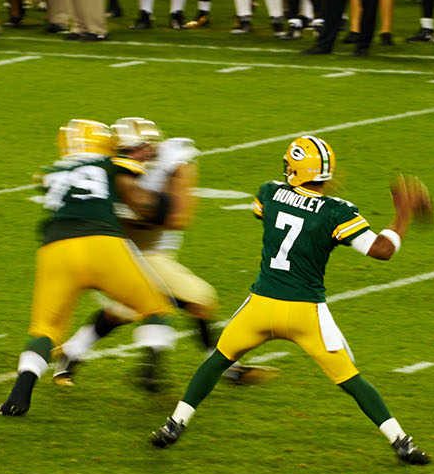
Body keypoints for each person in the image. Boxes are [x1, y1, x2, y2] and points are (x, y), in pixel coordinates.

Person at [150, 137, 432, 467]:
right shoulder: (337, 212)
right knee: (351, 379)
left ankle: (175, 423)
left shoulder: (268, 193)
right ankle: (401, 441)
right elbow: (382, 251)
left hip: (260, 308)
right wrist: (402, 215)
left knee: (217, 361)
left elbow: (271, 210)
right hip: (305, 312)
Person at [54, 119, 272, 387]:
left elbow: (180, 218)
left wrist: (148, 207)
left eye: (146, 145)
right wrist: (141, 211)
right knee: (198, 298)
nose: (142, 152)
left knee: (127, 309)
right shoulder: (110, 172)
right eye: (132, 148)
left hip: (152, 251)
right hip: (123, 252)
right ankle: (221, 369)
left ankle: (72, 353)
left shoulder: (171, 159)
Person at [0, 119, 176, 417]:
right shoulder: (113, 163)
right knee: (156, 306)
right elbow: (143, 203)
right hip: (102, 245)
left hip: (56, 249)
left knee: (44, 329)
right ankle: (150, 368)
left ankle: (18, 395)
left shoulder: (52, 173)